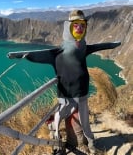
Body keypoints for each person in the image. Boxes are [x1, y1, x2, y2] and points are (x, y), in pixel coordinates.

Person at [7, 10, 121, 154]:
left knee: (83, 122)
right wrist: (19, 55)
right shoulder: (57, 53)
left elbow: (99, 46)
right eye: (75, 25)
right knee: (59, 119)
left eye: (82, 25)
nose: (79, 28)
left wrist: (113, 45)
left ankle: (88, 144)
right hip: (66, 96)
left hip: (82, 94)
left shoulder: (83, 48)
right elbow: (37, 55)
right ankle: (58, 143)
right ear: (68, 27)